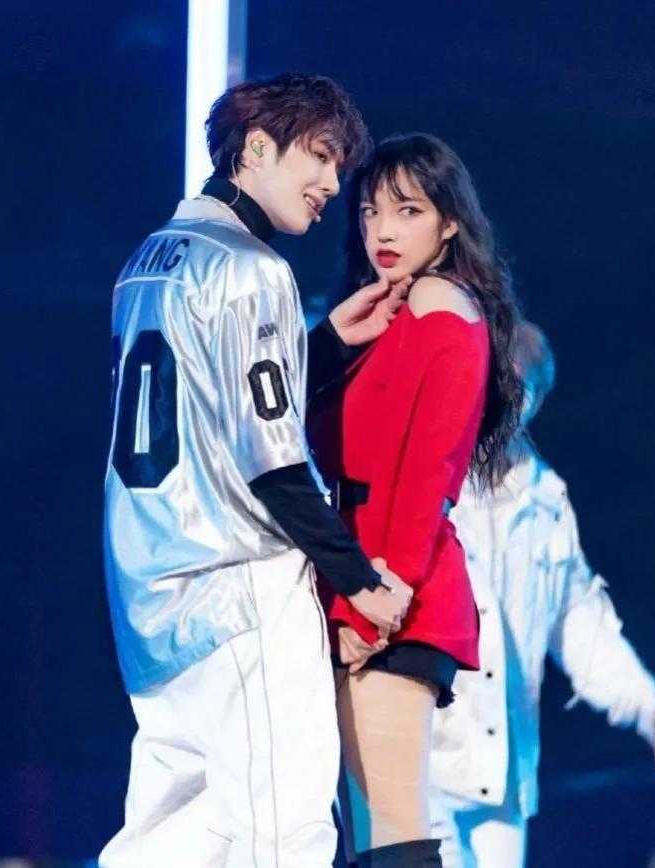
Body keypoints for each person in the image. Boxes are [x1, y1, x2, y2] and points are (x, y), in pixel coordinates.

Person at [100, 73, 414, 868]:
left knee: (170, 838)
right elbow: (271, 461)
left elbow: (211, 407)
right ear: (256, 148)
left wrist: (320, 347)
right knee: (285, 832)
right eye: (319, 156)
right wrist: (356, 577)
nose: (332, 183)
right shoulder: (252, 268)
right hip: (239, 586)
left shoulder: (147, 259)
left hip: (150, 593)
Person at [308, 133, 524, 867]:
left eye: (408, 211)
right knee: (370, 835)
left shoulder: (441, 306)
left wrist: (379, 595)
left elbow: (428, 469)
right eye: (371, 212)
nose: (384, 231)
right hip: (360, 576)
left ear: (449, 222)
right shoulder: (386, 313)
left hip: (394, 589)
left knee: (393, 832)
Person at [427, 321, 655, 867]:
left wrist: (654, 711)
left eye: (522, 395)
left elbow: (584, 631)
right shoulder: (420, 478)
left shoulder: (546, 503)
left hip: (503, 769)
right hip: (419, 754)